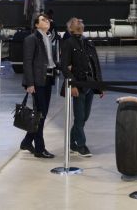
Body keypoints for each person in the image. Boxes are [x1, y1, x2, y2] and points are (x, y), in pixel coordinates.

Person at [61, 18, 104, 157]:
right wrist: (72, 84)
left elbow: (95, 65)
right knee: (79, 117)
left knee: (84, 116)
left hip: (90, 84)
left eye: (80, 23)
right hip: (77, 85)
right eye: (75, 23)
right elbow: (64, 66)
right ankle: (81, 145)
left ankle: (72, 143)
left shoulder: (88, 42)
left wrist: (100, 85)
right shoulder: (68, 43)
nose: (79, 24)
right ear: (70, 29)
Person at [20, 13, 59, 159]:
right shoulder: (31, 39)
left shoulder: (48, 38)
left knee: (41, 114)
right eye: (43, 20)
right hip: (37, 81)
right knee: (40, 115)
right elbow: (27, 62)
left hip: (47, 79)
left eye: (48, 19)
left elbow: (51, 60)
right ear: (36, 24)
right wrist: (29, 83)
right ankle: (39, 149)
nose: (47, 21)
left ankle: (27, 141)